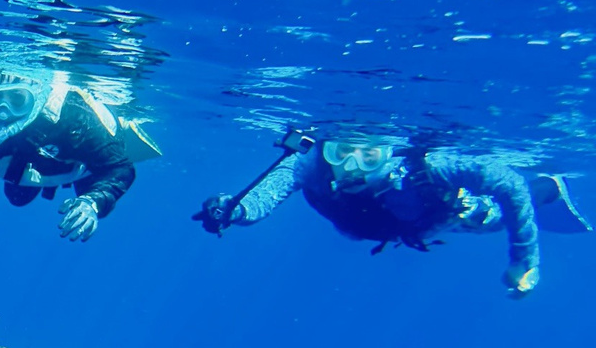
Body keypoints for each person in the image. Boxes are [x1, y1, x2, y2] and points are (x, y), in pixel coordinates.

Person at [193, 137, 591, 298]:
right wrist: (232, 209)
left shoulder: (431, 167)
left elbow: (507, 183)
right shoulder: (310, 163)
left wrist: (525, 259)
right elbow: (266, 194)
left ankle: (545, 196)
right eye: (341, 152)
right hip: (384, 227)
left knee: (490, 217)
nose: (351, 168)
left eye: (369, 156)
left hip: (431, 217)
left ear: (389, 153)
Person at [0, 44, 158, 242]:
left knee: (89, 186)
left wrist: (93, 202)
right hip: (22, 167)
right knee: (18, 198)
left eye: (18, 100)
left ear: (38, 95)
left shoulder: (72, 117)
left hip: (74, 165)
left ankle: (87, 184)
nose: (3, 114)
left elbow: (120, 168)